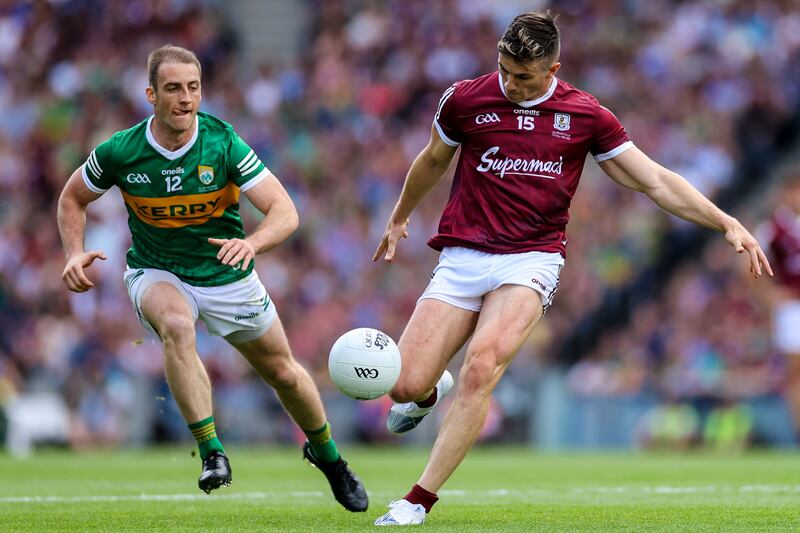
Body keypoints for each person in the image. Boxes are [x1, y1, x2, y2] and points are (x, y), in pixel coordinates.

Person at [372, 11, 772, 526]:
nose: (510, 83)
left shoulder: (585, 115)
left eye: (523, 76)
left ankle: (417, 500)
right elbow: (432, 159)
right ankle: (428, 391)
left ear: (553, 69)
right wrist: (399, 217)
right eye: (504, 70)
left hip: (532, 259)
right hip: (462, 256)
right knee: (403, 386)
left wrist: (725, 221)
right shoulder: (465, 99)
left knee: (481, 367)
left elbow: (654, 180)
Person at [56, 44, 367, 512]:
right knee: (176, 326)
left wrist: (252, 244)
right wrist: (73, 252)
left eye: (193, 87)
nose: (185, 98)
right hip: (157, 270)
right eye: (173, 88)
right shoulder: (121, 150)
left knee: (283, 372)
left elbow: (285, 212)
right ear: (151, 95)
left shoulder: (223, 143)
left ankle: (328, 457)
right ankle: (212, 452)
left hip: (226, 273)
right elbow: (72, 197)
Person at [764, 171, 800, 437]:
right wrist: (769, 294)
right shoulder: (773, 228)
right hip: (792, 307)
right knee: (796, 371)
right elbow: (748, 264)